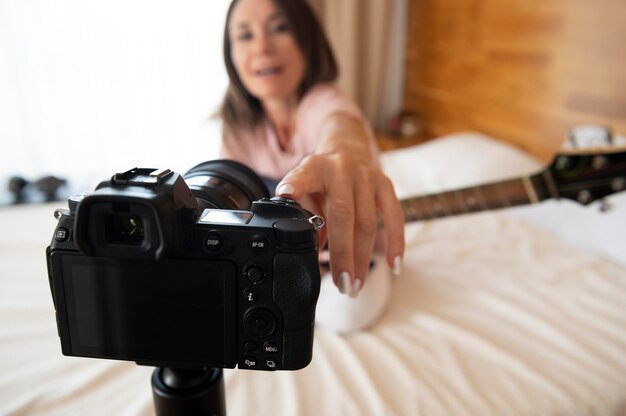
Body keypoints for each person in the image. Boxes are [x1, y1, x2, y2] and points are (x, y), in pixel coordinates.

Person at [217, 0, 405, 330]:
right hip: (276, 255)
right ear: (231, 56)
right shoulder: (238, 125)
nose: (262, 47)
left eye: (280, 28)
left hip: (348, 255)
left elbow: (339, 125)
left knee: (347, 313)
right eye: (245, 36)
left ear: (307, 40)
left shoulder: (324, 100)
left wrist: (344, 154)